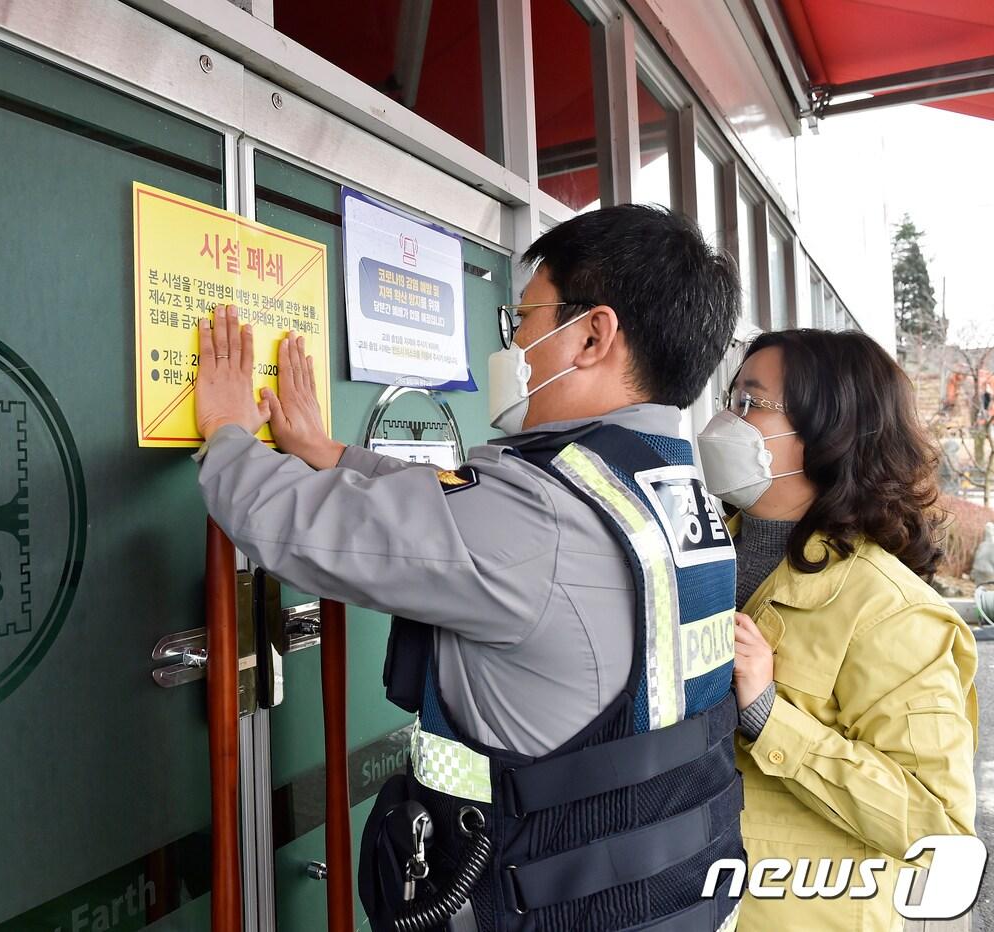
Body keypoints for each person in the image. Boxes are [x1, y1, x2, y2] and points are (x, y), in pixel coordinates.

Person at [193, 204, 744, 931]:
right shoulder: (676, 493)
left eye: (524, 317)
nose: (516, 341)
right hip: (667, 898)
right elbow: (457, 517)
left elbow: (295, 528)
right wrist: (334, 455)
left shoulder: (539, 512)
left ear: (590, 334)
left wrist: (229, 434)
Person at [697, 329, 977, 931]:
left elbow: (938, 827)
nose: (726, 419)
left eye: (751, 403)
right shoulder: (699, 555)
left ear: (827, 433)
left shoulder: (892, 609)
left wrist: (770, 717)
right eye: (731, 398)